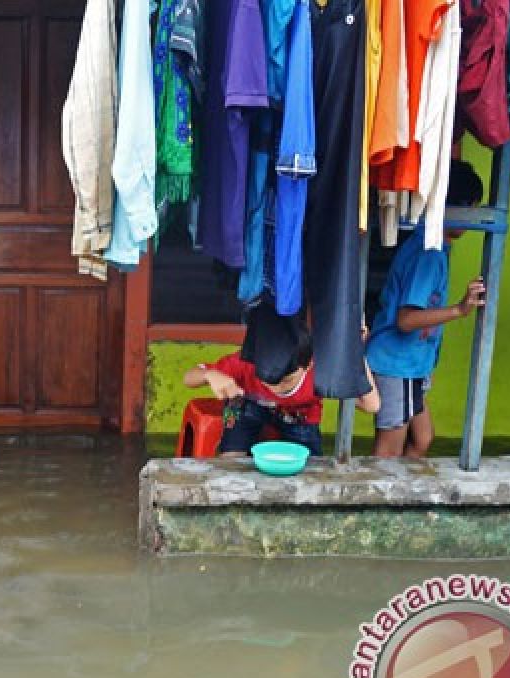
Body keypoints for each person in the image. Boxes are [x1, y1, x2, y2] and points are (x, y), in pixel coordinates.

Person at [367, 160, 487, 458]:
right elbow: (406, 320)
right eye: (473, 208)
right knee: (389, 450)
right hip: (398, 364)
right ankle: (381, 500)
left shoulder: (433, 246)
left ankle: (399, 497)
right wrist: (459, 309)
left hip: (410, 365)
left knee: (422, 438)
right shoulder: (429, 253)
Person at [184, 324, 380, 456]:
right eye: (267, 379)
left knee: (310, 469)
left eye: (285, 381)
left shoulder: (322, 372)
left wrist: (354, 351)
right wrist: (209, 375)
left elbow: (371, 405)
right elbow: (188, 378)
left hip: (300, 418)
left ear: (308, 364)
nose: (275, 388)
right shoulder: (246, 362)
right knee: (230, 462)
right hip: (247, 407)